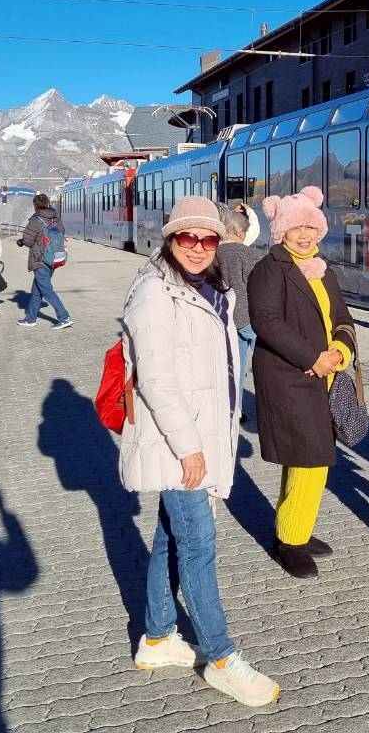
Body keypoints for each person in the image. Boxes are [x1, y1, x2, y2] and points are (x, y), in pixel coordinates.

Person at [119, 196, 279, 707]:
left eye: (208, 238)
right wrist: (190, 449)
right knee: (198, 546)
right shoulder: (155, 294)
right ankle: (221, 658)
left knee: (170, 535)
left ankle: (158, 638)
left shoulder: (212, 288)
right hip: (178, 442)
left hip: (200, 436)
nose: (198, 247)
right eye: (187, 237)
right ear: (170, 238)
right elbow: (157, 381)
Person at [248, 186, 355, 580]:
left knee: (304, 456)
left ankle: (296, 528)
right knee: (311, 458)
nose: (305, 235)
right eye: (296, 228)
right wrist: (313, 358)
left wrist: (339, 352)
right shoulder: (269, 269)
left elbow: (342, 318)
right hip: (288, 377)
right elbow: (266, 322)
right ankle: (290, 541)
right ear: (281, 231)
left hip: (323, 374)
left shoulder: (323, 270)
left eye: (311, 226)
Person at [214, 204, 263, 420]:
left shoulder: (214, 254)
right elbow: (260, 288)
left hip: (227, 319)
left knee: (236, 368)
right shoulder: (249, 254)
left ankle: (236, 409)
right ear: (238, 231)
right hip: (249, 317)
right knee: (267, 362)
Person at [16, 194, 73, 330]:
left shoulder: (36, 220)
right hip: (53, 258)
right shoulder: (55, 219)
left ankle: (64, 317)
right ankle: (30, 319)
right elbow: (61, 232)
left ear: (35, 205)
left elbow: (28, 241)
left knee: (46, 290)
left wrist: (21, 242)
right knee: (37, 290)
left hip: (40, 260)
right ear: (47, 204)